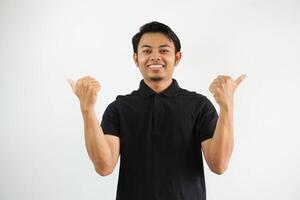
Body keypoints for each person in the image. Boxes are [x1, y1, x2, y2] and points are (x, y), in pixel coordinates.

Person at [67, 21, 246, 200]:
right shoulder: (119, 108)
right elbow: (104, 167)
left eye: (163, 50)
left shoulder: (199, 105)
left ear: (177, 57)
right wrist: (87, 109)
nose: (155, 56)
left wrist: (226, 106)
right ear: (136, 59)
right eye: (146, 51)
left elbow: (219, 164)